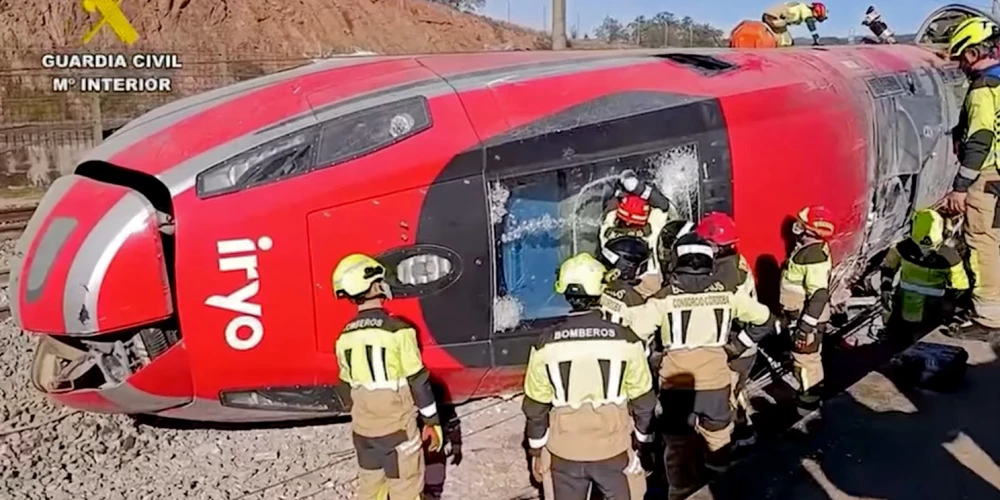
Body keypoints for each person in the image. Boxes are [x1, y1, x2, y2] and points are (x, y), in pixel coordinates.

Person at [640, 233, 778, 500]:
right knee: (718, 439)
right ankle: (720, 486)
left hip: (675, 387)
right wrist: (737, 346)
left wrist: (654, 357)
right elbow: (765, 320)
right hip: (716, 384)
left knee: (677, 445)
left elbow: (635, 334)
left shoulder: (662, 299)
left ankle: (680, 492)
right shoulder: (727, 295)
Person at [522, 252, 655, 500]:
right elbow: (644, 402)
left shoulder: (544, 344)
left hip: (564, 453)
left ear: (565, 292)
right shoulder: (627, 340)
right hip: (613, 451)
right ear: (599, 291)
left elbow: (535, 407)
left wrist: (536, 451)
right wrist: (643, 445)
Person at [332, 253, 443, 500]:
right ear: (373, 286)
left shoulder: (344, 338)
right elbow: (419, 380)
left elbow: (344, 385)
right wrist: (432, 422)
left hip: (363, 432)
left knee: (370, 491)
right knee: (406, 488)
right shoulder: (399, 331)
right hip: (398, 430)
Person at [942, 16, 1000, 342]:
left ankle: (989, 318)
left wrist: (961, 187)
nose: (962, 63)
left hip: (987, 177)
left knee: (982, 245)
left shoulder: (983, 88)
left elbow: (979, 139)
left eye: (963, 55)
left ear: (976, 52)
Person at [695, 211, 759, 449]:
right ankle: (745, 432)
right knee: (737, 388)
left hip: (736, 344)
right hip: (745, 346)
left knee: (724, 398)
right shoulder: (735, 262)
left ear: (715, 245)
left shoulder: (723, 276)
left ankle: (729, 446)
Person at [880, 208, 970, 335]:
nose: (925, 253)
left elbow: (961, 289)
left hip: (930, 310)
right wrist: (886, 288)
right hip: (907, 306)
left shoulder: (949, 258)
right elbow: (888, 268)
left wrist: (954, 317)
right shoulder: (949, 257)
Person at [780, 206, 835, 408]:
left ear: (811, 232)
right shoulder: (810, 250)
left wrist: (805, 327)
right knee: (808, 357)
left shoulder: (813, 257)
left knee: (806, 361)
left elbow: (819, 294)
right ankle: (810, 398)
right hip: (803, 317)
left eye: (801, 225)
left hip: (808, 320)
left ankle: (808, 403)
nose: (797, 228)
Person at [600, 169, 674, 297]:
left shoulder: (606, 234)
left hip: (615, 288)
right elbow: (663, 205)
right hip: (651, 285)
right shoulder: (652, 232)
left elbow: (610, 210)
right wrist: (637, 188)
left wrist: (620, 195)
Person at [762, 1, 828, 47]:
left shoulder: (801, 7)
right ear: (815, 12)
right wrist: (816, 38)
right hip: (773, 18)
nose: (814, 20)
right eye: (816, 18)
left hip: (771, 17)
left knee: (788, 40)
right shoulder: (806, 10)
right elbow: (810, 23)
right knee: (787, 42)